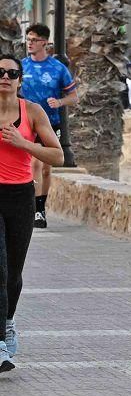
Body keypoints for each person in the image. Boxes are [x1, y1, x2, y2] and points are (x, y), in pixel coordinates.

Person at [0, 55, 64, 372]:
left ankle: (8, 322)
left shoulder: (33, 112)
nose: (5, 76)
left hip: (20, 195)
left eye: (12, 72)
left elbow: (57, 155)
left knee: (13, 272)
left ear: (20, 80)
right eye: (0, 71)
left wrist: (23, 142)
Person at [21, 24, 77, 229]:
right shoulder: (21, 66)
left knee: (45, 169)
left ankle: (41, 208)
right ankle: (34, 210)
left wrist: (60, 102)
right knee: (34, 164)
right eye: (28, 39)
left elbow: (73, 96)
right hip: (27, 122)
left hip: (51, 122)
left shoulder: (57, 68)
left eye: (34, 40)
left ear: (45, 42)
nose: (30, 43)